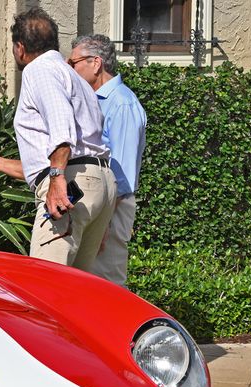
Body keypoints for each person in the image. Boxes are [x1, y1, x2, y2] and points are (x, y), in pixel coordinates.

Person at [0, 8, 116, 272]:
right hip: (99, 180)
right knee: (77, 287)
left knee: (44, 282)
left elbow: (61, 129)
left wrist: (57, 179)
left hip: (71, 182)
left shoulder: (39, 70)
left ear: (20, 48)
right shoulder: (73, 77)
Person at [69, 34, 147, 286]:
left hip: (112, 209)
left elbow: (121, 174)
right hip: (94, 204)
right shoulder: (93, 99)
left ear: (96, 62)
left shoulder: (122, 104)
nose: (70, 69)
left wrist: (103, 226)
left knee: (107, 285)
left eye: (74, 63)